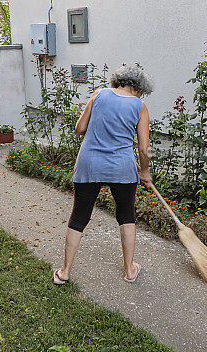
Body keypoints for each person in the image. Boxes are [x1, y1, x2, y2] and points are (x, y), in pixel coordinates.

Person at [53, 64, 154, 285]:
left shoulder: (99, 94)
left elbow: (80, 128)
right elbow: (144, 149)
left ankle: (65, 272)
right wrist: (145, 171)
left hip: (90, 163)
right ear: (137, 87)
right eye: (142, 92)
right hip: (122, 167)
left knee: (79, 215)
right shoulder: (140, 106)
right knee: (126, 215)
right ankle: (129, 270)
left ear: (120, 81)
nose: (141, 95)